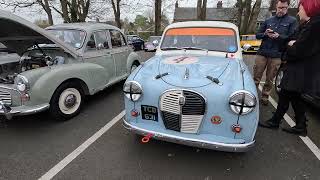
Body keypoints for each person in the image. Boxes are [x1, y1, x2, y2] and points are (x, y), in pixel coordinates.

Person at [259, 0, 320, 136]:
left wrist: (292, 45)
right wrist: (288, 42)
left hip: (301, 69)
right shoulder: (307, 24)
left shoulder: (315, 26)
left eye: (301, 8)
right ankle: (300, 126)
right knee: (293, 96)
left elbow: (298, 50)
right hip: (296, 68)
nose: (298, 12)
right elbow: (290, 40)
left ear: (309, 9)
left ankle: (276, 122)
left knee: (287, 94)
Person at [254, 0, 297, 105]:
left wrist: (279, 36)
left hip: (277, 54)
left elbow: (292, 38)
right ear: (276, 7)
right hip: (262, 52)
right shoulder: (269, 20)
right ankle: (252, 95)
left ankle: (265, 97)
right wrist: (265, 34)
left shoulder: (292, 21)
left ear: (288, 7)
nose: (281, 10)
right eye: (279, 7)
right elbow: (257, 35)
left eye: (284, 8)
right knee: (256, 76)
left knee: (270, 79)